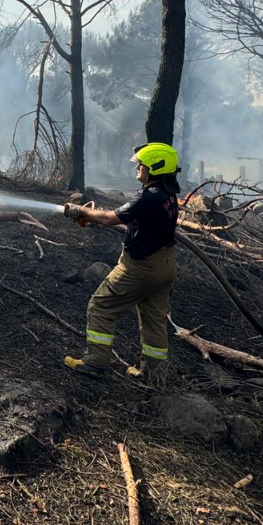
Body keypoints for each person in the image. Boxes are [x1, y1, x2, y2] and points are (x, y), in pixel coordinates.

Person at [61, 142, 181, 383]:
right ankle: (154, 376)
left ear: (155, 167)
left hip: (141, 267)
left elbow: (110, 219)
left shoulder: (148, 196)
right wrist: (91, 216)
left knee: (100, 306)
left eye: (142, 164)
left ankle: (95, 361)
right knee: (154, 319)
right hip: (165, 265)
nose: (138, 167)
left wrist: (78, 210)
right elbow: (137, 223)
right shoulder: (168, 195)